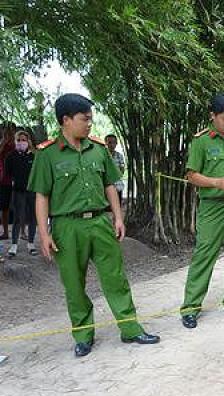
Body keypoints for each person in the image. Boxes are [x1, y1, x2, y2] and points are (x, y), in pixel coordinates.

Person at [28, 93, 160, 357]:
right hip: (67, 227)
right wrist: (44, 234)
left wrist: (118, 217)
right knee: (74, 284)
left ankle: (130, 328)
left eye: (90, 119)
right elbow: (41, 196)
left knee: (115, 278)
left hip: (100, 222)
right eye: (84, 119)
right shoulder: (48, 154)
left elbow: (110, 185)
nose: (89, 124)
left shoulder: (98, 149)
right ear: (66, 120)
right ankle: (83, 334)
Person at [180, 93, 224, 328]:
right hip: (212, 207)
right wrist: (216, 182)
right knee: (204, 255)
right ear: (213, 116)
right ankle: (190, 308)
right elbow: (191, 175)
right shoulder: (201, 141)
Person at [5, 130, 37, 256]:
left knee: (33, 217)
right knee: (18, 217)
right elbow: (8, 174)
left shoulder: (34, 156)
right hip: (18, 192)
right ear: (15, 141)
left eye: (24, 140)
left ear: (28, 141)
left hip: (33, 191)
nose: (21, 142)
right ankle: (14, 245)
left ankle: (31, 243)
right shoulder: (11, 156)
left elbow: (38, 173)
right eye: (19, 140)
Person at [0, 122, 17, 239]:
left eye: (11, 130)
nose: (8, 132)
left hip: (16, 180)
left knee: (19, 206)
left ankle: (22, 232)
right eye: (6, 130)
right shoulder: (2, 143)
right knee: (4, 207)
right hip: (3, 180)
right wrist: (3, 142)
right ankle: (5, 232)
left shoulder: (19, 144)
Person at [105, 134, 125, 206]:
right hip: (105, 187)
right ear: (105, 143)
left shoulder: (119, 156)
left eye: (114, 142)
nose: (112, 144)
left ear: (116, 143)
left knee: (117, 207)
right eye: (109, 142)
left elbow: (122, 170)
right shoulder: (103, 155)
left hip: (118, 186)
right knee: (106, 209)